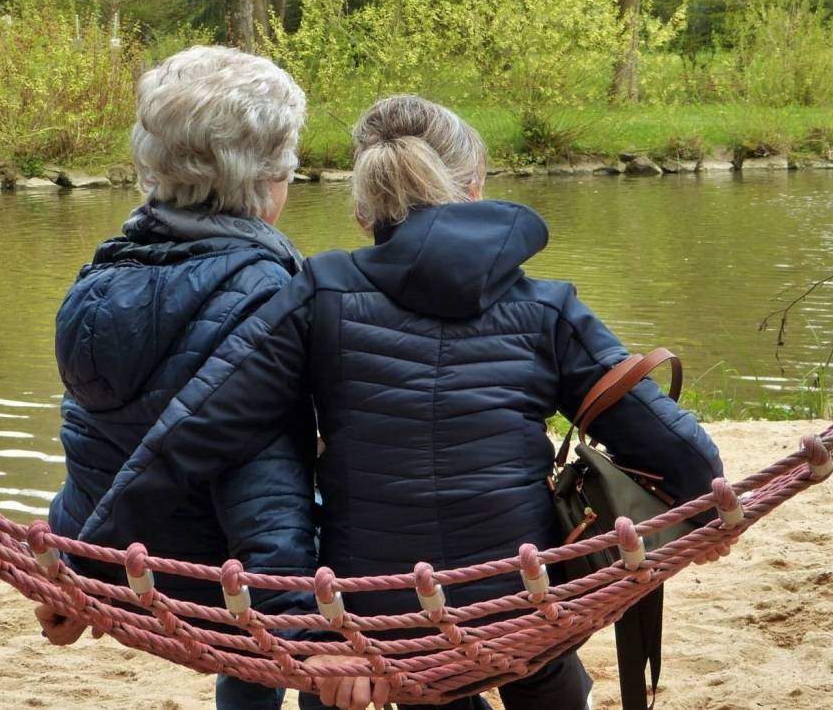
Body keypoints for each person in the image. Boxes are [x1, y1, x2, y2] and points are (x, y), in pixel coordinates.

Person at [80, 95, 724, 710]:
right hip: (520, 605)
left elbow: (193, 433)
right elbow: (677, 451)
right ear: (475, 190)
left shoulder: (318, 291)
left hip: (373, 618)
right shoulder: (548, 307)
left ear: (365, 213)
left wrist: (86, 564)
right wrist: (707, 507)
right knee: (533, 646)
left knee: (385, 668)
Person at [40, 45, 318, 710]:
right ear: (267, 178)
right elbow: (267, 501)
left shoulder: (99, 279)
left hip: (117, 564)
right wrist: (308, 642)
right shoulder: (269, 296)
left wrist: (75, 566)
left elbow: (95, 441)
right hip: (218, 582)